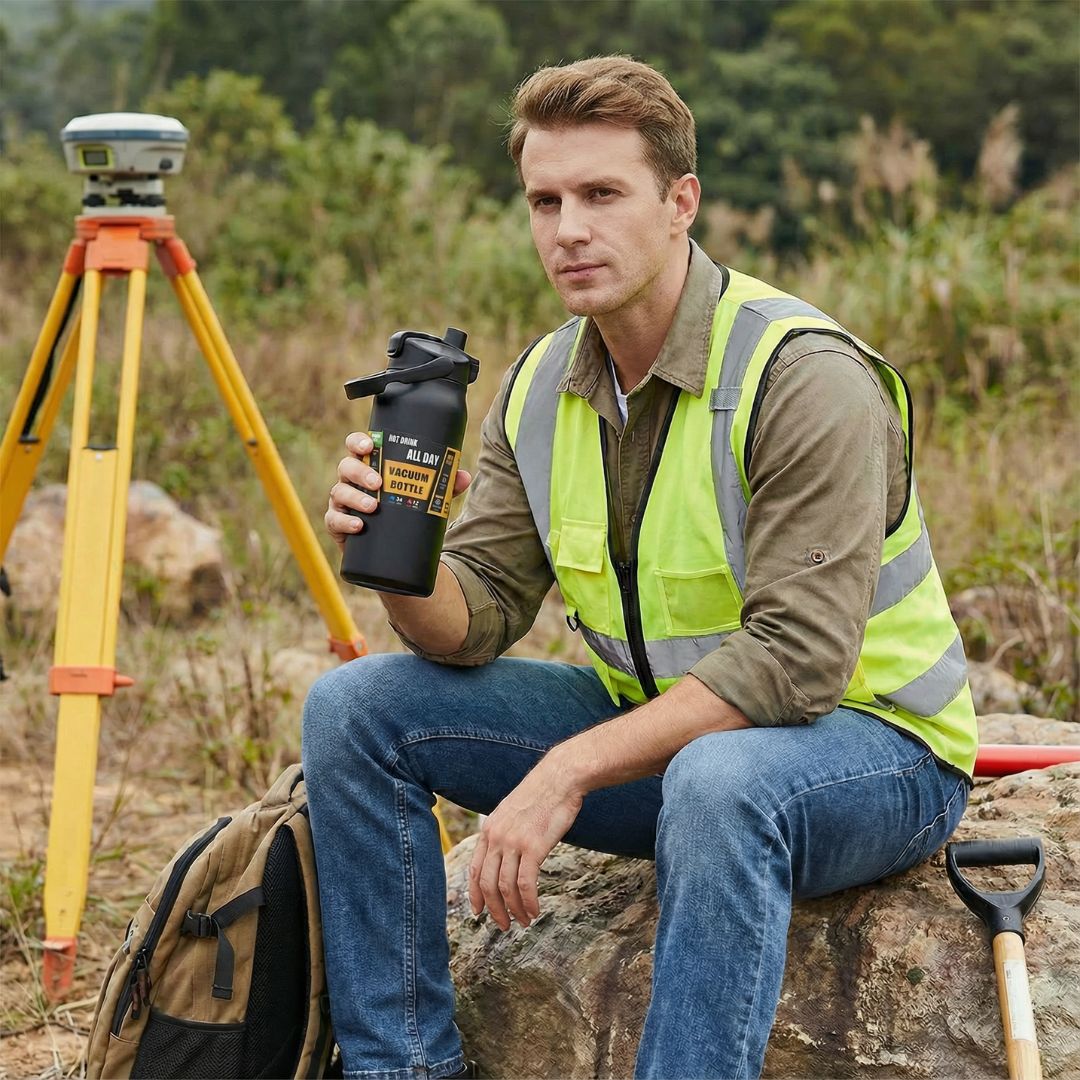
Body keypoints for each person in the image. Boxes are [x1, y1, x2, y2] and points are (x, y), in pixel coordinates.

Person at [304, 56, 976, 1080]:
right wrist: (402, 555)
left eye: (602, 194)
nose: (568, 229)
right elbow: (476, 618)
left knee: (718, 779)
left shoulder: (803, 376)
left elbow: (794, 666)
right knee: (356, 707)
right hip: (672, 743)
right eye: (545, 201)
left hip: (874, 755)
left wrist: (565, 770)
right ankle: (400, 1068)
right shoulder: (541, 384)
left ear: (680, 203)